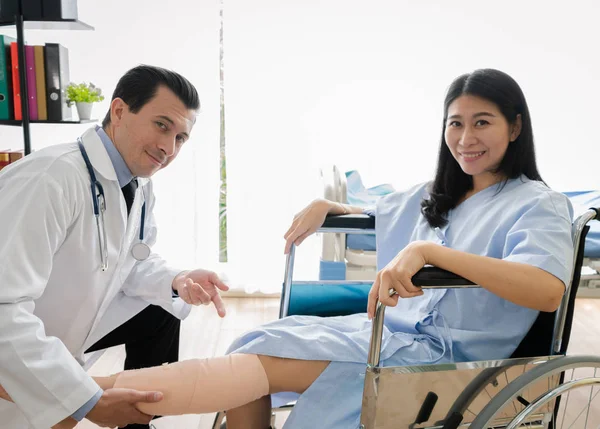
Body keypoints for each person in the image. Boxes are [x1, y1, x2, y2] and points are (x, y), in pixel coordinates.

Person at [0, 68, 575, 429]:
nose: (465, 139)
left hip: (455, 356)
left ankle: (73, 394)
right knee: (260, 337)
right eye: (455, 124)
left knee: (263, 364)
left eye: (483, 123)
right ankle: (71, 393)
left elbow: (548, 290)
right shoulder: (440, 195)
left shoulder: (539, 203)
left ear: (516, 127)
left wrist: (433, 255)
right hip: (401, 332)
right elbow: (388, 212)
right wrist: (331, 207)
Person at [0, 65, 230, 429]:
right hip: (12, 349)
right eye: (161, 125)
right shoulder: (51, 179)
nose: (168, 149)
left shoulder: (137, 183)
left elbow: (132, 259)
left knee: (163, 309)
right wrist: (88, 401)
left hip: (63, 326)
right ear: (120, 111)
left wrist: (178, 279)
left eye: (181, 138)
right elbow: (2, 308)